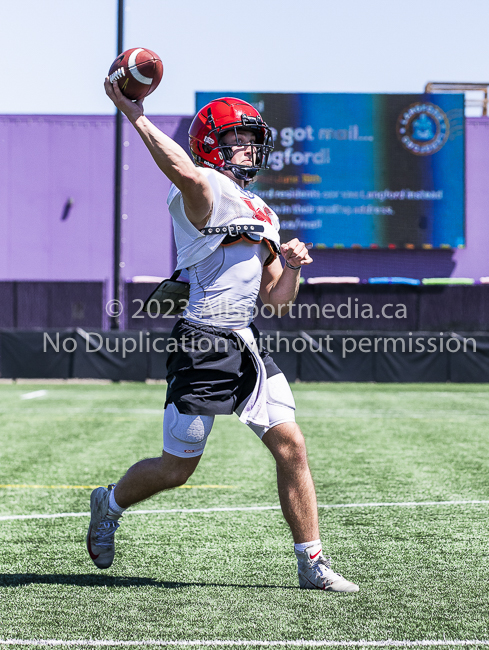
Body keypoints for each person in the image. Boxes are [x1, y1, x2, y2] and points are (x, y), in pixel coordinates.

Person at [86, 79, 359, 594]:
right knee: (176, 468)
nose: (250, 148)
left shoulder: (264, 212)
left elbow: (274, 301)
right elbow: (183, 171)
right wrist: (132, 111)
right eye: (239, 139)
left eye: (253, 140)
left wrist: (295, 268)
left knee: (291, 446)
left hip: (247, 342)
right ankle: (111, 501)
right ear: (212, 143)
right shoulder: (203, 188)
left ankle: (312, 562)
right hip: (203, 343)